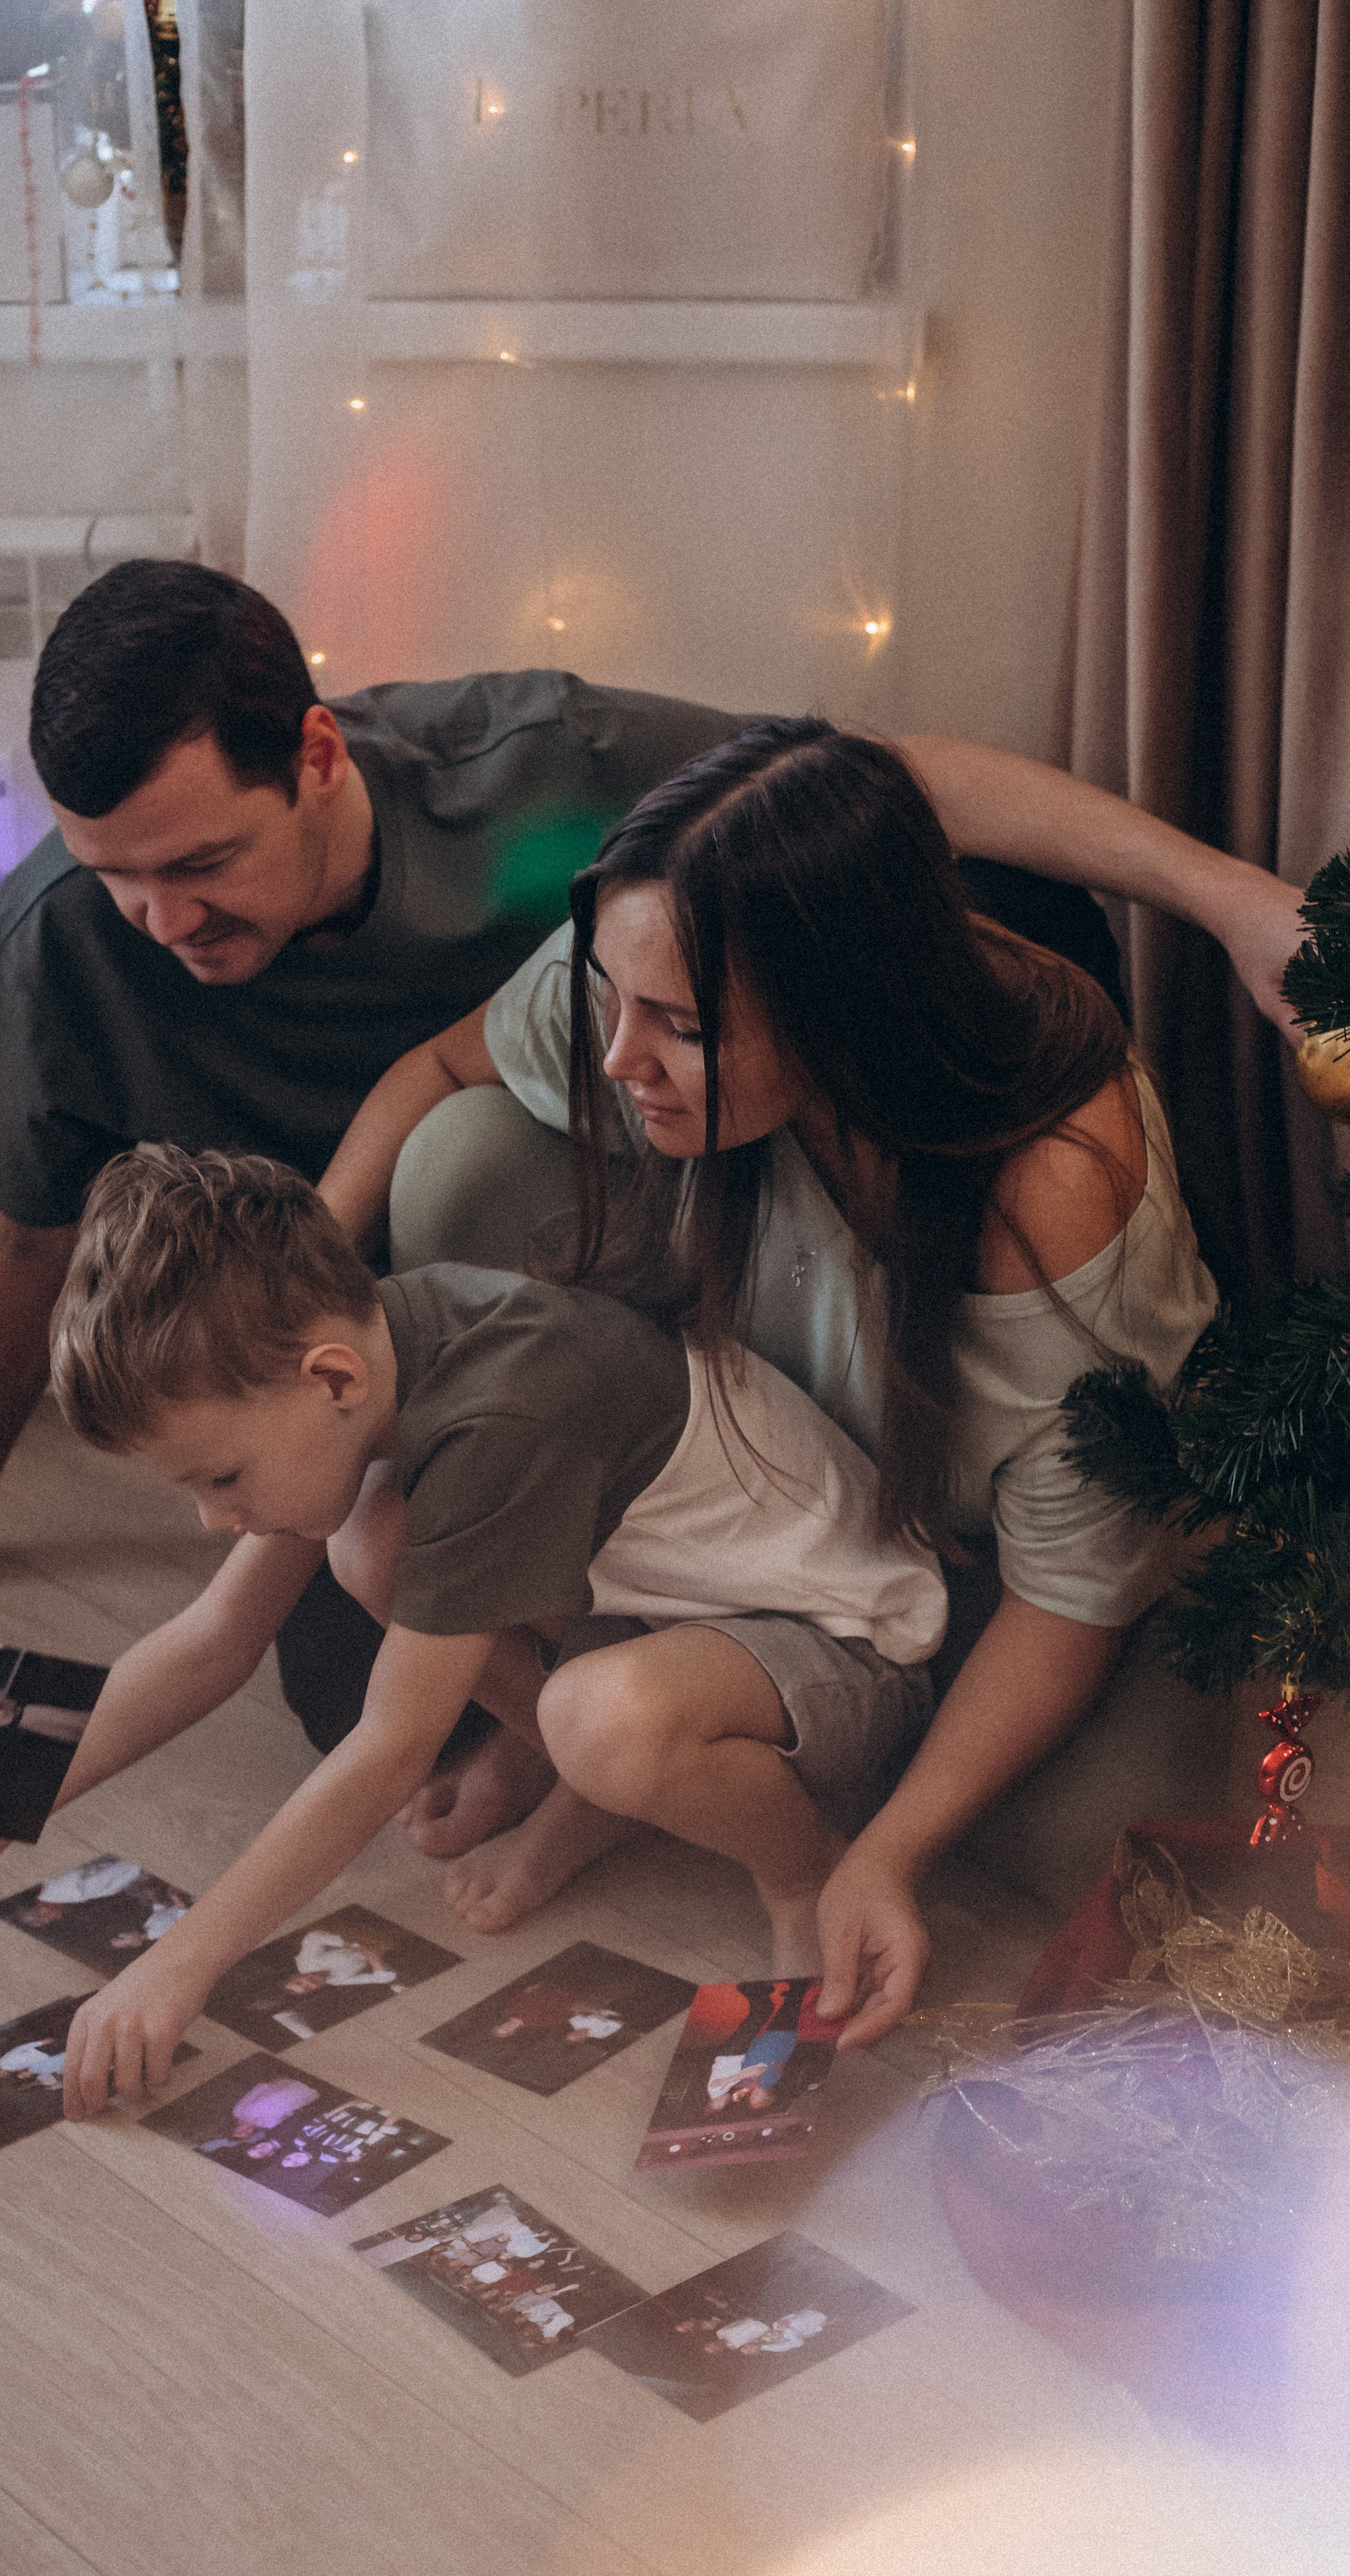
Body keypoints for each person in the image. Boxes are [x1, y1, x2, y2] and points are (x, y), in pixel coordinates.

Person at [0, 563, 1301, 1732]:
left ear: (314, 757)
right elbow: (24, 1225)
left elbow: (872, 798)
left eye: (201, 866)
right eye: (114, 876)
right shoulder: (63, 945)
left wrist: (1231, 901)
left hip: (649, 1250)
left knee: (467, 1172)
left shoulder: (550, 780)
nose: (160, 923)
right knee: (354, 1681)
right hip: (381, 1336)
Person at [335, 720, 1217, 2053]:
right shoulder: (658, 952)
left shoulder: (1046, 1184)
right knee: (451, 1184)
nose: (619, 1057)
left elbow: (1067, 1594)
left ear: (840, 1015)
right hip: (735, 1454)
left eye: (677, 1031)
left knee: (1123, 1844)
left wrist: (889, 1858)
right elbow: (440, 1068)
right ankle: (578, 1741)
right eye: (610, 1002)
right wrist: (296, 1292)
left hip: (945, 1552)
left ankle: (648, 1736)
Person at [0, 1140, 946, 2112]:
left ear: (329, 1378)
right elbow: (212, 1636)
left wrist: (178, 1966)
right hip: (673, 1609)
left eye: (224, 1478)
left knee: (591, 1714)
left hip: (848, 1641)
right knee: (371, 1541)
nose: (214, 1518)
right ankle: (589, 1783)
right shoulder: (368, 1352)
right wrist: (16, 1783)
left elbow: (389, 1752)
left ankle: (801, 1865)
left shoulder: (496, 1420)